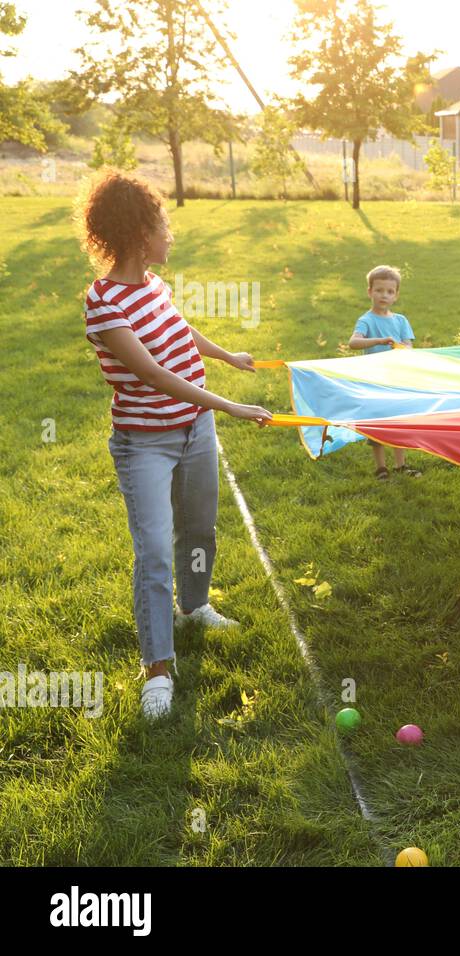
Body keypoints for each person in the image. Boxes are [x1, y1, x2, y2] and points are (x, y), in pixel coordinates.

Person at [76, 169, 272, 721]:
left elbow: (181, 332)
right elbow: (155, 376)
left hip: (195, 431)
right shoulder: (104, 303)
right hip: (146, 444)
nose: (170, 236)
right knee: (155, 552)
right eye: (163, 226)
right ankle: (157, 669)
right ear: (140, 235)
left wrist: (227, 356)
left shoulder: (155, 287)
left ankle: (195, 606)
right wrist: (230, 404)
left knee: (200, 528)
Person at [347, 264, 422, 480]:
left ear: (396, 295)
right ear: (369, 292)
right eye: (379, 290)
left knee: (398, 420)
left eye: (390, 291)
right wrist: (379, 341)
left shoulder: (400, 321)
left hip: (397, 379)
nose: (384, 295)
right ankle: (381, 468)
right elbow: (353, 342)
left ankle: (401, 465)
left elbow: (409, 347)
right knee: (377, 422)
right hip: (374, 380)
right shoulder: (366, 320)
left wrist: (400, 348)